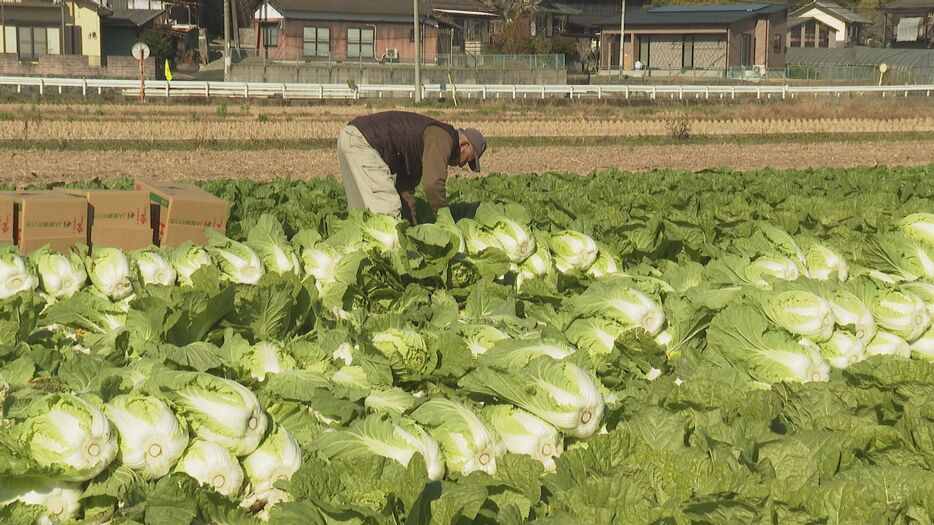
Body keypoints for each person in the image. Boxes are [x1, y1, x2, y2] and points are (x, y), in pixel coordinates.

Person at [337, 111, 486, 225]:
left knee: (362, 215)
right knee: (388, 214)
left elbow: (406, 191)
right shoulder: (443, 137)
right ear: (464, 145)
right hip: (363, 142)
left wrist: (412, 228)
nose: (462, 165)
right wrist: (446, 221)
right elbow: (432, 184)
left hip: (350, 137)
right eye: (469, 159)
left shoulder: (423, 147)